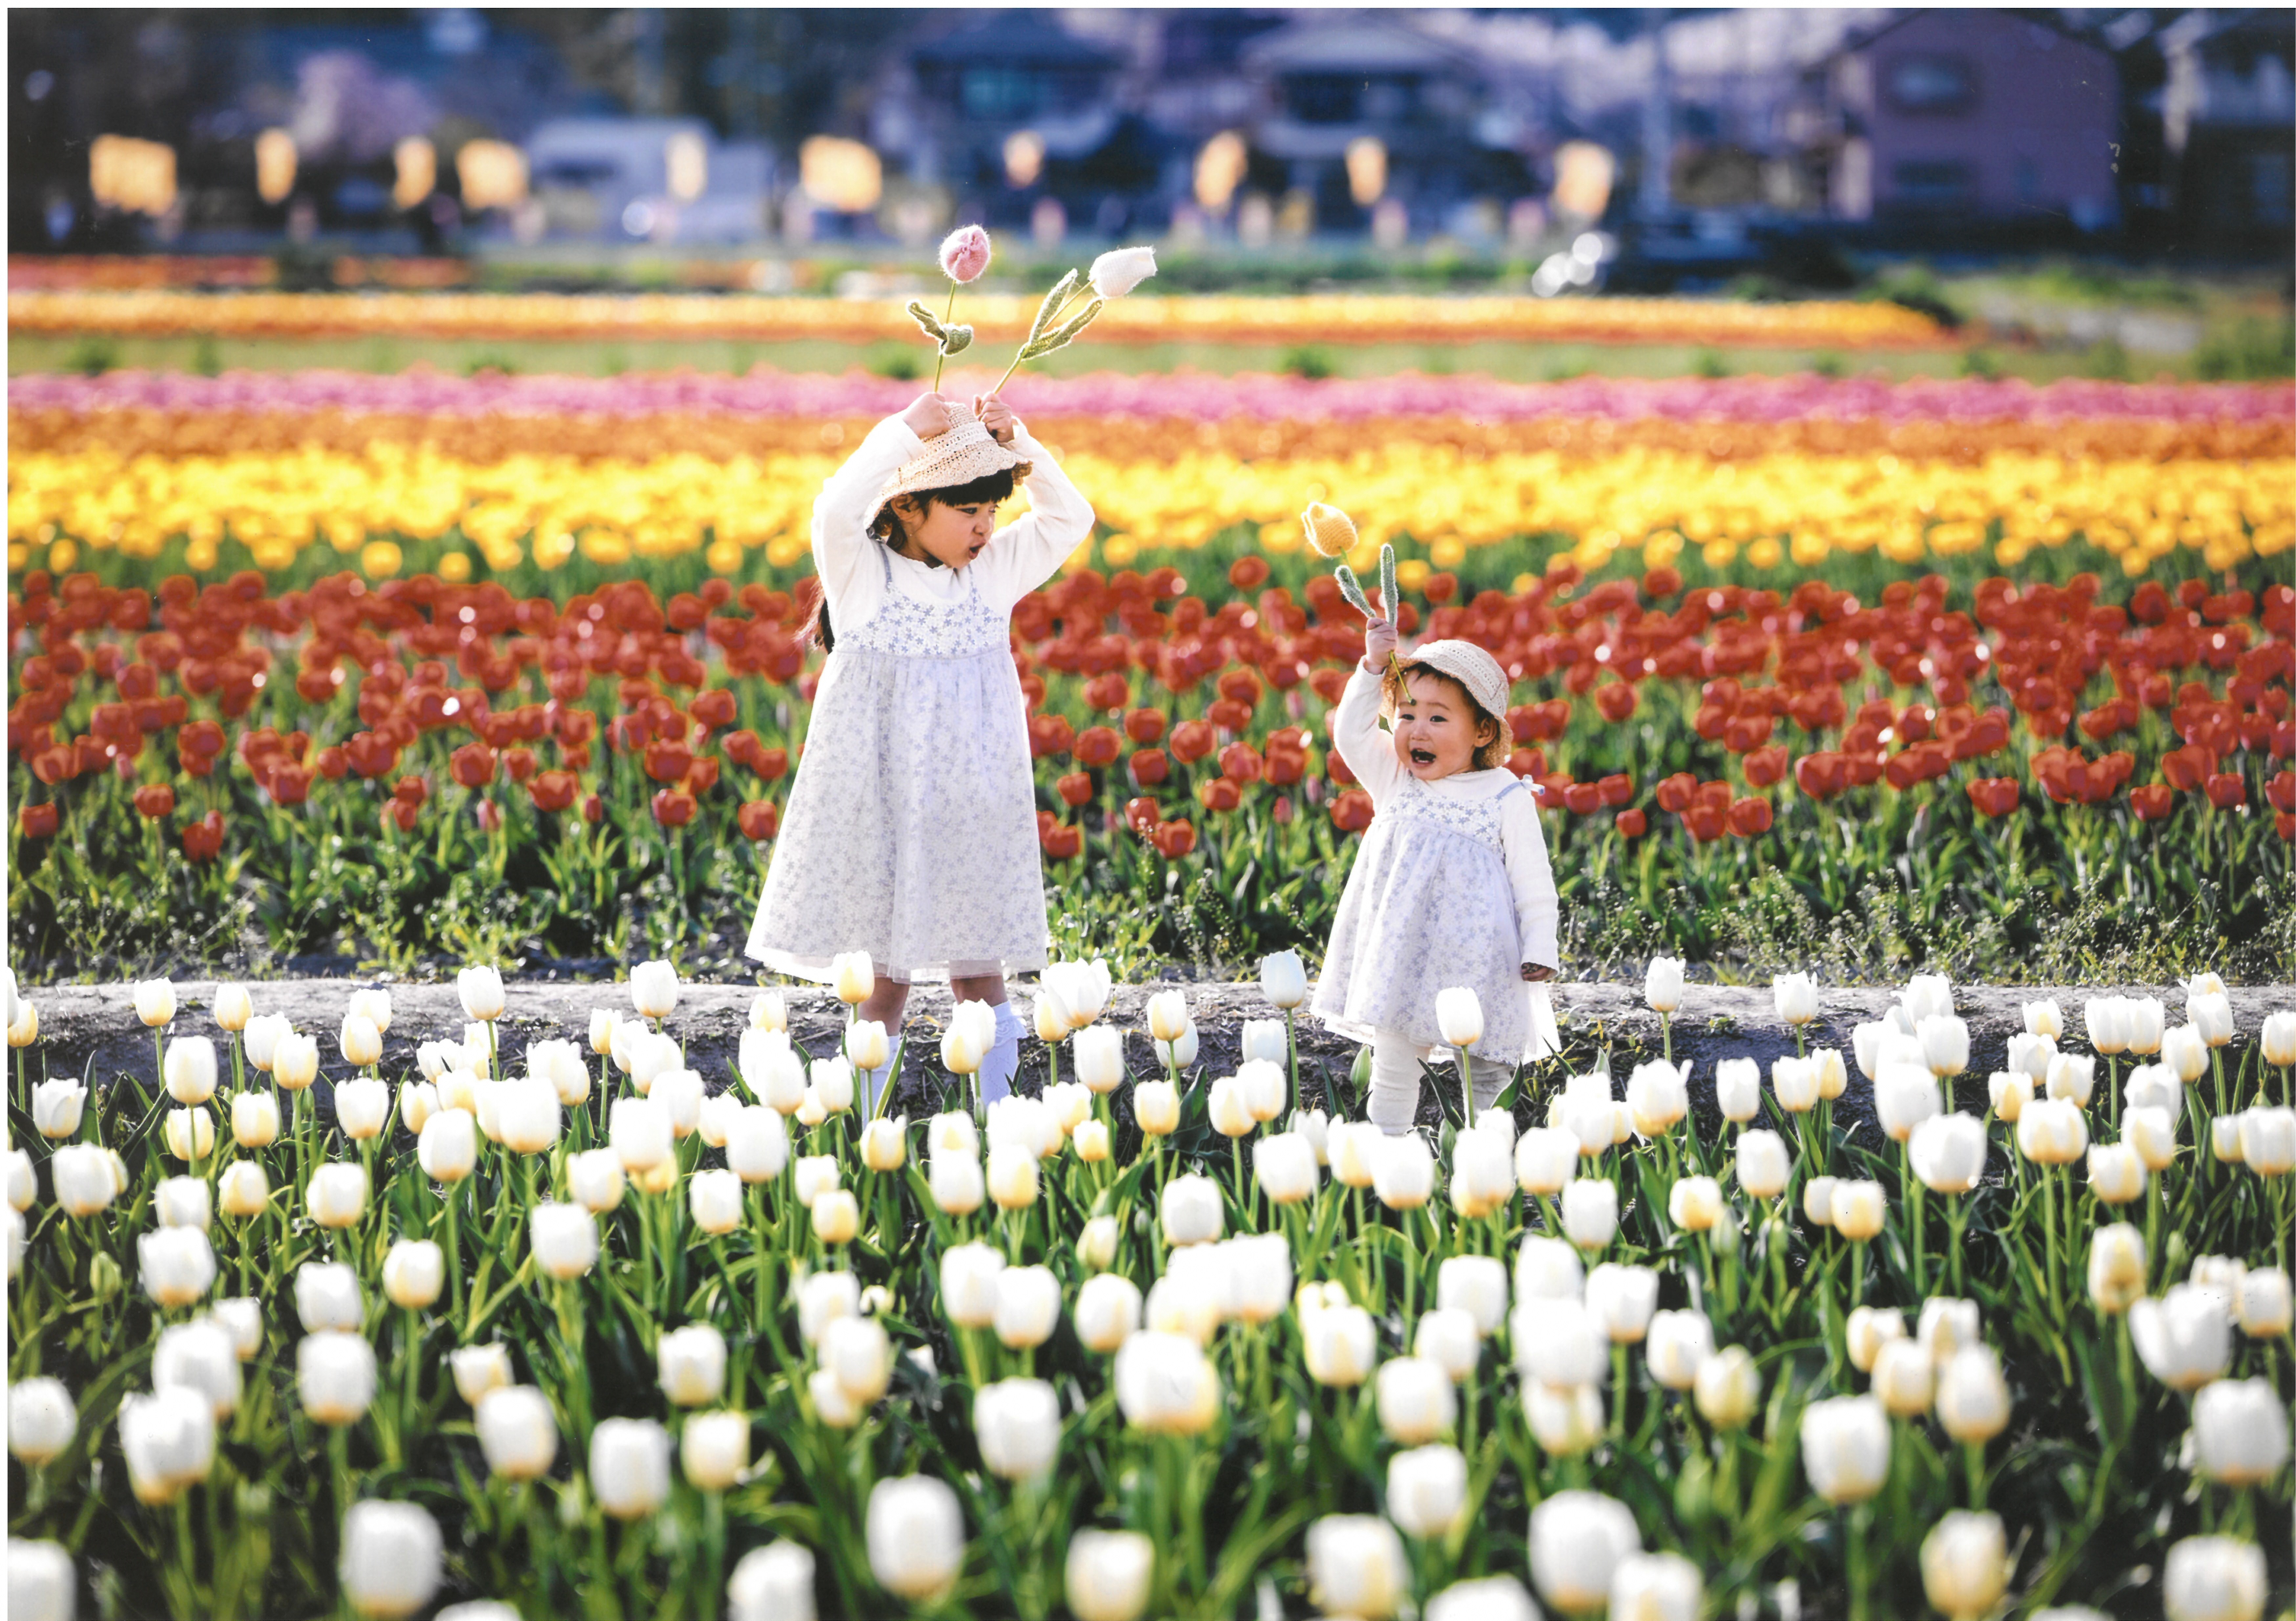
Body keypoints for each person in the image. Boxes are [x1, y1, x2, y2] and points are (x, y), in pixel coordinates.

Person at [746, 390, 1094, 1108]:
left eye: (992, 510)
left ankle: (1002, 1125)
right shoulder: (861, 577)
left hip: (971, 809)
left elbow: (1071, 519)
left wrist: (1019, 442)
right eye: (968, 511)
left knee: (980, 977)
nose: (985, 527)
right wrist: (904, 434)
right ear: (909, 507)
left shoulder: (990, 575)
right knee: (886, 979)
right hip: (881, 807)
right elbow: (835, 510)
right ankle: (863, 1128)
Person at [1312, 616, 1562, 1134]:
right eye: (1407, 715)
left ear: (1483, 731)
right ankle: (1387, 1164)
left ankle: (1487, 1169)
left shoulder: (1506, 796)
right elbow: (1351, 735)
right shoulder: (1395, 779)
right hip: (1402, 958)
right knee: (1395, 1070)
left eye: (1438, 719)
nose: (1417, 731)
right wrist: (1373, 667)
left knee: (1487, 1076)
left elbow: (1534, 884)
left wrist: (1541, 947)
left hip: (1482, 964)